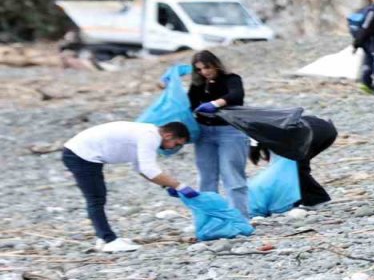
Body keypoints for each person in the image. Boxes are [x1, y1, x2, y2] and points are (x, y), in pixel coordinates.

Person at [62, 121, 195, 252]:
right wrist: (180, 186)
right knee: (96, 199)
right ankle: (109, 241)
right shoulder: (150, 136)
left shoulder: (149, 134)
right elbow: (149, 170)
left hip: (82, 153)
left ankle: (103, 238)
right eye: (176, 144)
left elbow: (141, 168)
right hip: (81, 155)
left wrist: (166, 186)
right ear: (168, 136)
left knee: (97, 197)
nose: (173, 148)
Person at [188, 50, 251, 218]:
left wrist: (215, 104)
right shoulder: (198, 84)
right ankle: (210, 218)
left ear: (216, 64)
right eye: (200, 69)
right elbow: (190, 103)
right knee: (206, 177)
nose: (204, 72)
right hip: (204, 133)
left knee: (232, 175)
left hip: (230, 131)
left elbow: (236, 95)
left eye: (207, 67)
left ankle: (240, 217)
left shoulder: (231, 79)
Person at [249, 115, 337, 207]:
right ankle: (305, 200)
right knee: (295, 168)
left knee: (297, 168)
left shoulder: (263, 136)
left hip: (314, 132)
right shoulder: (262, 133)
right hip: (322, 130)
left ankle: (318, 199)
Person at [347, 10, 374, 93]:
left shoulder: (358, 12)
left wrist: (356, 44)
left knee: (367, 61)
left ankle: (365, 83)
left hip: (362, 41)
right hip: (373, 41)